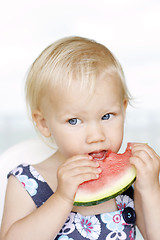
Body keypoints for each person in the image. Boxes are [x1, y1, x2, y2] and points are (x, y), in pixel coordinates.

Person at [0, 36, 160, 240]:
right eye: (74, 121)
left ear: (124, 109)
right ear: (44, 123)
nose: (96, 136)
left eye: (106, 116)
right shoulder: (27, 181)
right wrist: (62, 198)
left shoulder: (132, 179)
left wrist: (150, 188)